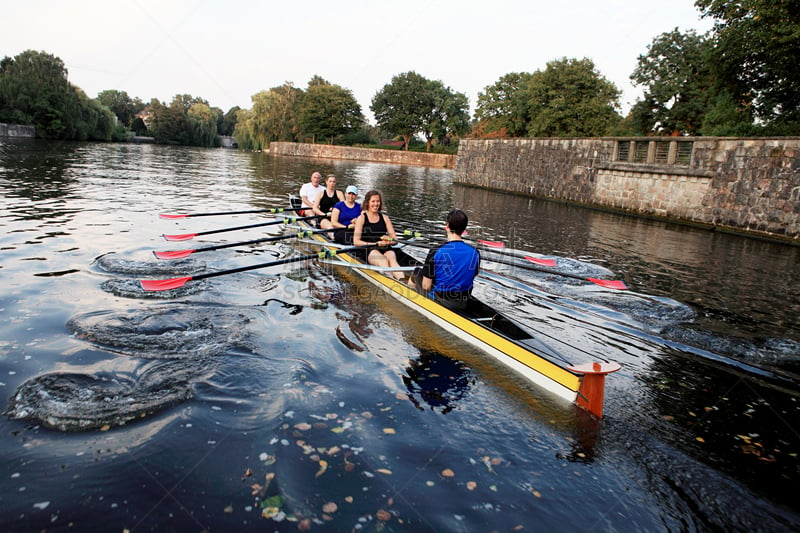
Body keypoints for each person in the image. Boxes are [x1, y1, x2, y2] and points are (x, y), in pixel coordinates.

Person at [417, 209, 480, 312]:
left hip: (441, 301)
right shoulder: (475, 253)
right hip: (463, 302)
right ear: (464, 229)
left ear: (447, 226)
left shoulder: (435, 251)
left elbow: (426, 286)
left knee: (416, 273)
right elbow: (472, 274)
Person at [352, 190, 405, 280]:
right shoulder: (362, 218)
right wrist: (376, 243)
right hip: (368, 249)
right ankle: (392, 282)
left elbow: (395, 240)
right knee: (383, 260)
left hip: (384, 247)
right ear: (368, 203)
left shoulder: (385, 218)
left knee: (392, 259)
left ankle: (403, 281)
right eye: (373, 201)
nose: (376, 204)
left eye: (378, 201)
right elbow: (356, 242)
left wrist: (389, 240)